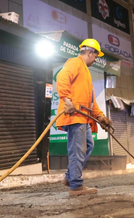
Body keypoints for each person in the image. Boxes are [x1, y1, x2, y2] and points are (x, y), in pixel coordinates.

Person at [56, 39, 112, 196]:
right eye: (95, 56)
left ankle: (70, 177)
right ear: (89, 53)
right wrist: (67, 100)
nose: (95, 59)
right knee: (78, 150)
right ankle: (76, 186)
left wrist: (100, 116)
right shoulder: (75, 63)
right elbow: (61, 77)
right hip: (75, 117)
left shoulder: (85, 73)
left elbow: (90, 101)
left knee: (88, 145)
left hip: (82, 117)